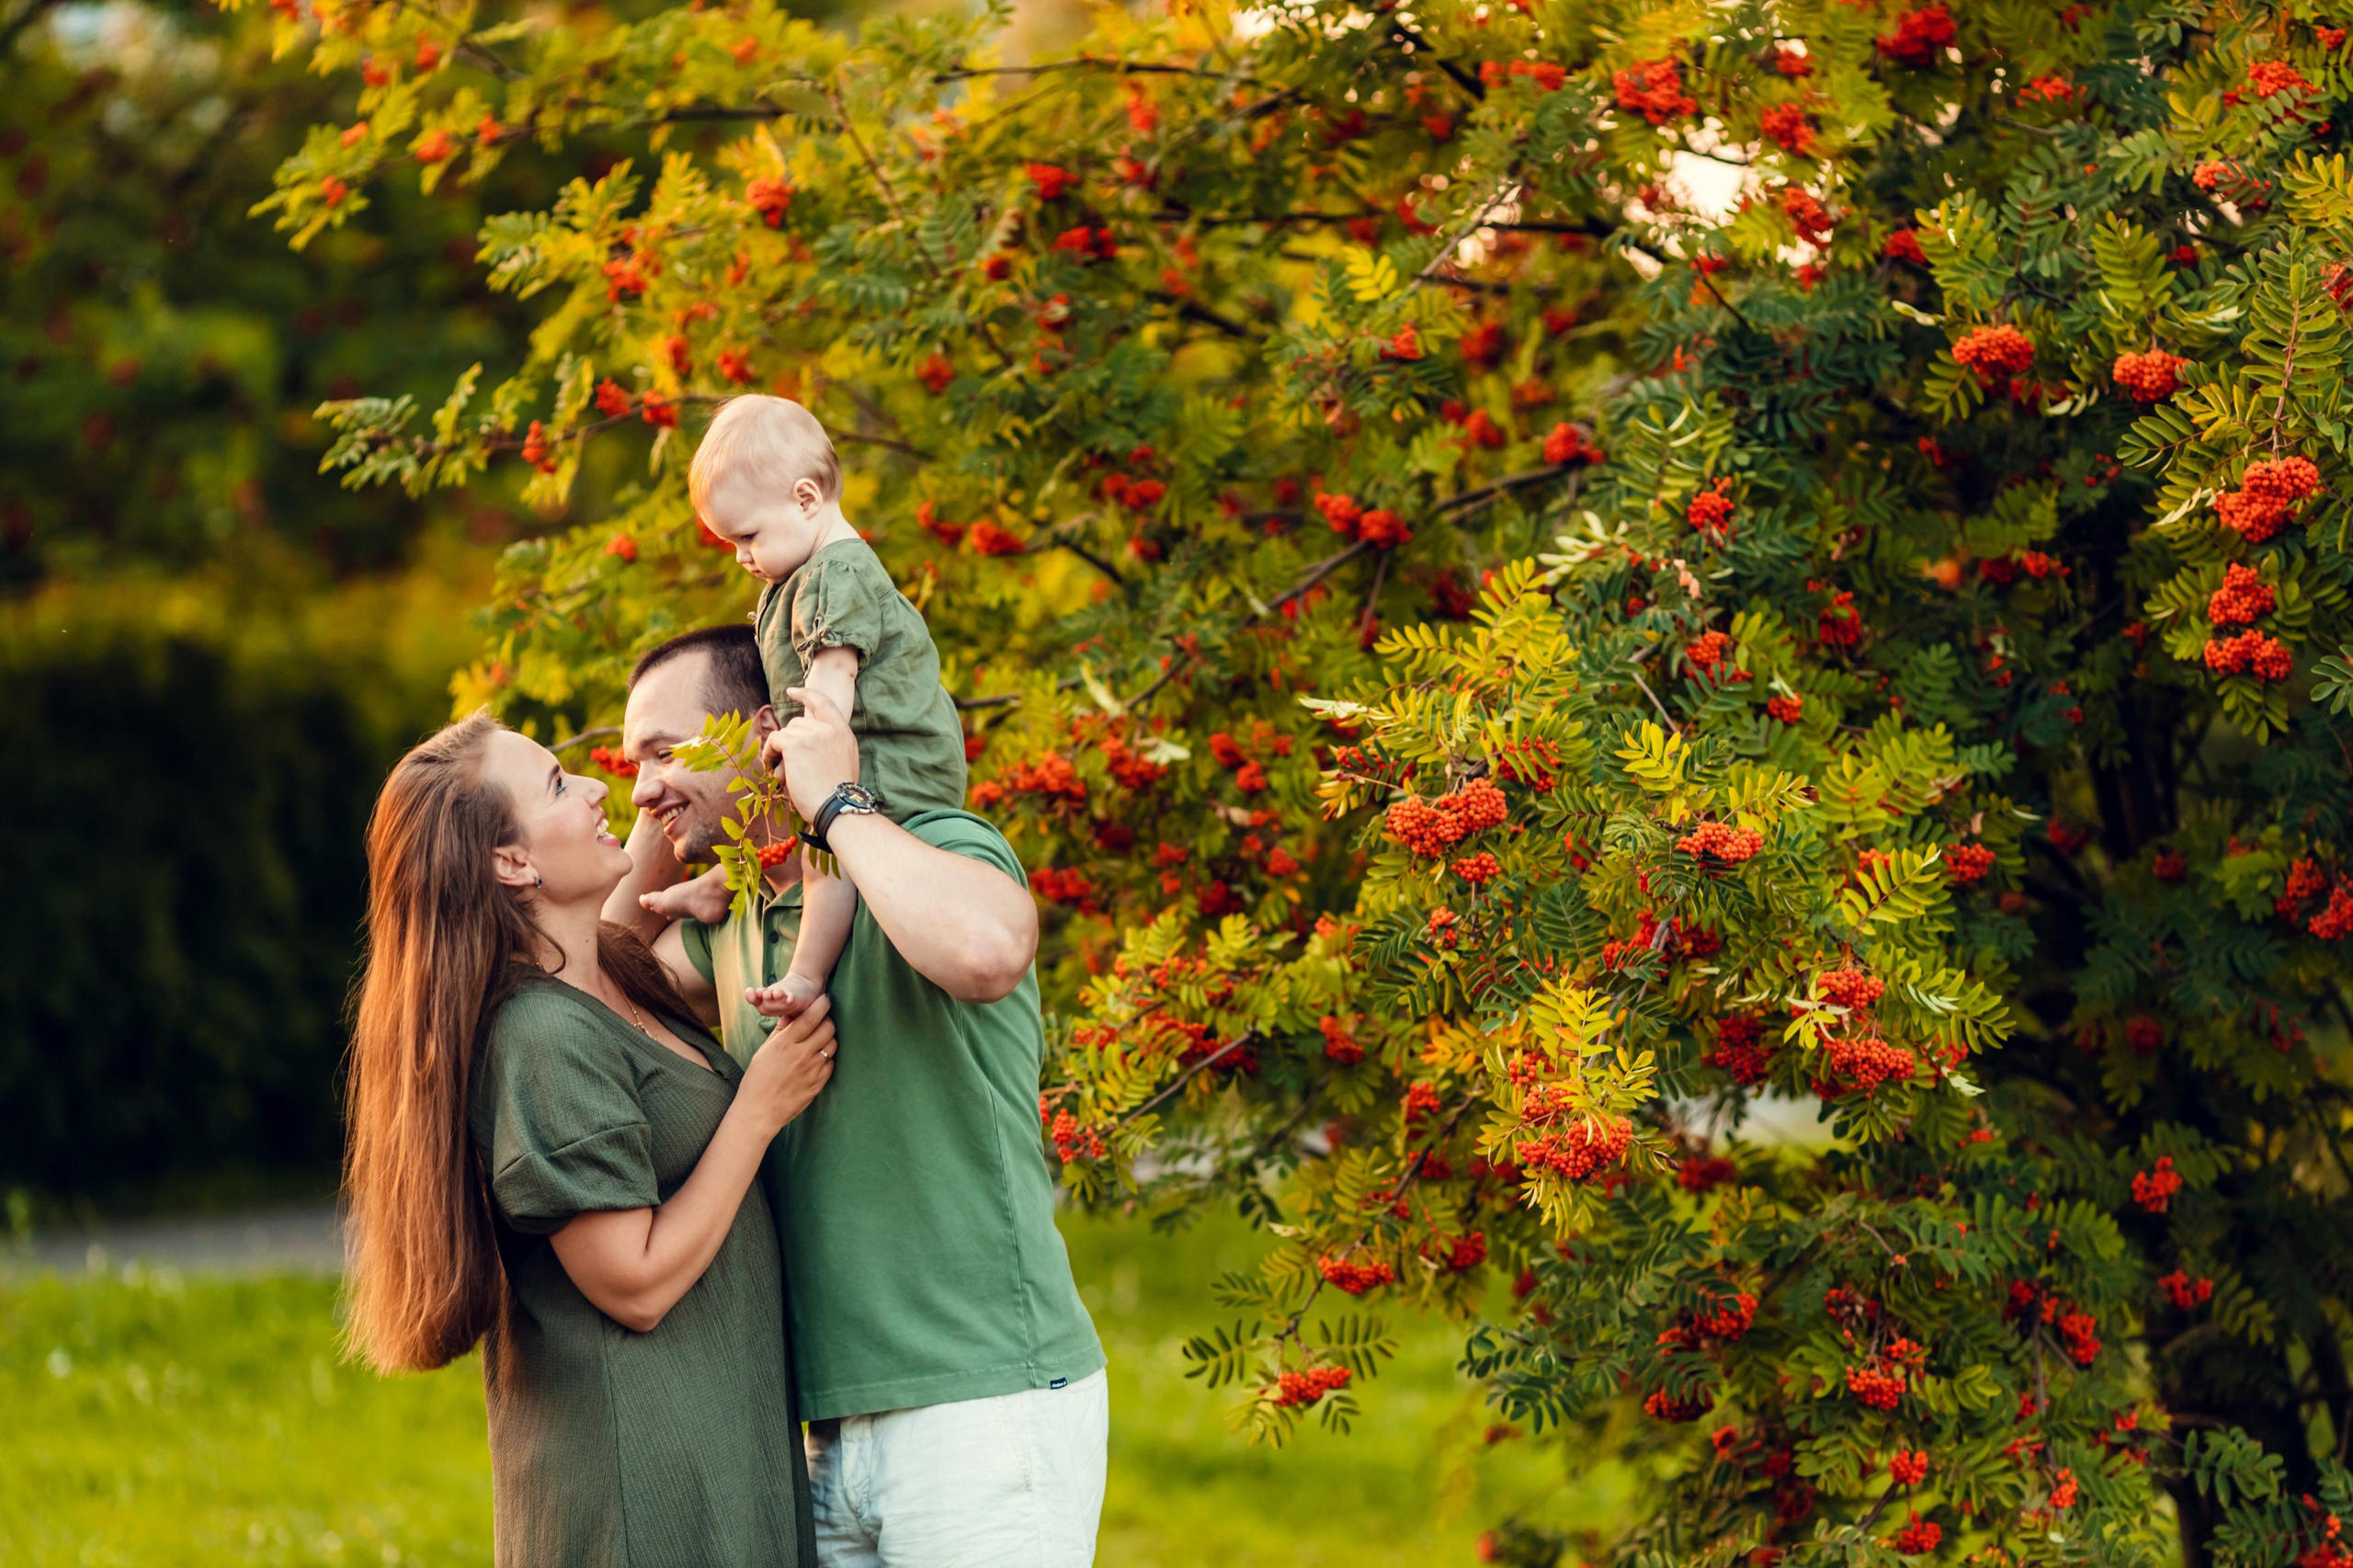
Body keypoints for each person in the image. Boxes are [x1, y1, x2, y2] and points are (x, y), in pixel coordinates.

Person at [608, 626, 1109, 1568]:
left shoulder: (923, 847)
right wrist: (665, 790)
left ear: (763, 731)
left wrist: (831, 797)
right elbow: (598, 964)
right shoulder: (734, 919)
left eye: (665, 750)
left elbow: (988, 951)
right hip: (822, 1425)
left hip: (978, 1406)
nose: (639, 788)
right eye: (633, 765)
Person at [343, 710, 839, 1567]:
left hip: (711, 1466)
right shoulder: (541, 1038)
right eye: (559, 785)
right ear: (512, 862)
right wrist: (758, 1109)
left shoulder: (609, 973)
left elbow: (633, 876)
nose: (601, 786)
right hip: (639, 1500)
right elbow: (634, 1284)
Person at [640, 395, 966, 1027]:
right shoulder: (796, 578)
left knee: (824, 858)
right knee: (775, 832)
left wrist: (816, 760)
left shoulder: (838, 574)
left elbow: (834, 675)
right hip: (850, 751)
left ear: (807, 499)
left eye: (748, 536)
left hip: (890, 765)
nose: (740, 555)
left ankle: (805, 976)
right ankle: (724, 886)